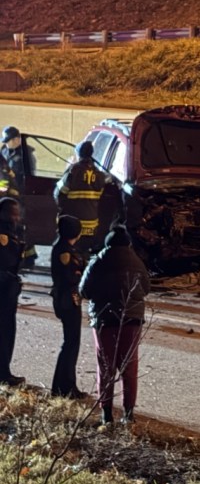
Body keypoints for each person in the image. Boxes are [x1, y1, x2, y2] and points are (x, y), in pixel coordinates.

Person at [79, 225, 150, 424]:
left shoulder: (98, 261)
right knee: (129, 367)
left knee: (105, 367)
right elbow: (146, 289)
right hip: (131, 321)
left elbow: (84, 290)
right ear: (128, 243)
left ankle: (106, 414)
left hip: (105, 320)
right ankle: (128, 414)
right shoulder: (137, 262)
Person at [50, 215, 87, 399]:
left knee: (71, 343)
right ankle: (65, 386)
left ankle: (63, 385)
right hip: (68, 299)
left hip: (66, 298)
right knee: (71, 343)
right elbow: (72, 276)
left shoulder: (63, 247)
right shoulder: (66, 251)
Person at [54, 141, 111, 257]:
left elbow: (58, 193)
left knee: (69, 252)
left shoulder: (73, 171)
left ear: (78, 154)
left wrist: (62, 209)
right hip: (91, 225)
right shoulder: (100, 175)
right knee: (85, 253)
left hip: (73, 223)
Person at [1, 127, 37, 268]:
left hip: (19, 195)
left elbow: (27, 177)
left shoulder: (26, 155)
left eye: (9, 141)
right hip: (8, 195)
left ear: (16, 139)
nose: (7, 144)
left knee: (20, 226)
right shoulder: (5, 151)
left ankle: (27, 257)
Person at [0, 197, 25, 386]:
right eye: (13, 214)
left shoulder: (11, 232)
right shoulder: (3, 235)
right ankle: (3, 373)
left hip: (8, 287)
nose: (16, 217)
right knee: (5, 331)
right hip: (4, 289)